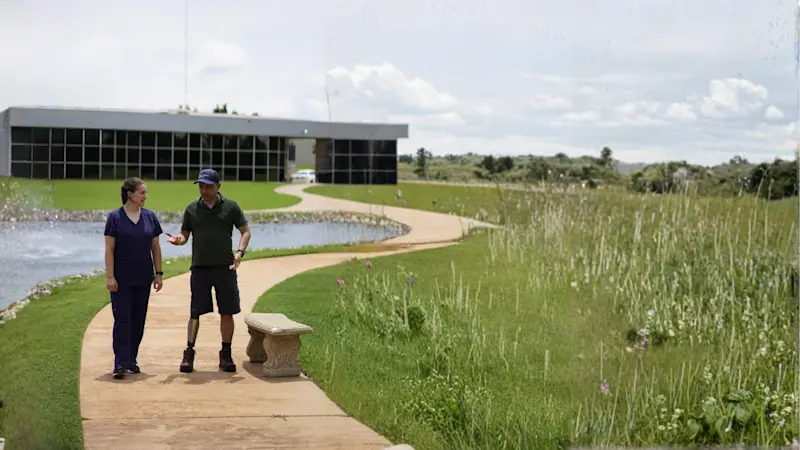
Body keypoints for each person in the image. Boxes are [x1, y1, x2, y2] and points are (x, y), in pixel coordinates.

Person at [165, 168, 251, 373]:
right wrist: (178, 240)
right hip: (200, 267)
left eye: (208, 186)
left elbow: (245, 231)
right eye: (201, 186)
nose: (204, 190)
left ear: (218, 187)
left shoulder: (231, 207)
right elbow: (185, 235)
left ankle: (226, 353)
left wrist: (240, 252)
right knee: (195, 312)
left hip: (225, 267)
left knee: (227, 311)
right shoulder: (192, 209)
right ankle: (189, 352)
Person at [104, 177, 164, 379]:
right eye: (142, 193)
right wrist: (110, 276)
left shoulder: (150, 217)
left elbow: (155, 247)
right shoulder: (115, 217)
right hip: (120, 280)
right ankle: (120, 363)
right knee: (122, 319)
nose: (145, 196)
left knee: (138, 321)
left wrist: (159, 274)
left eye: (146, 193)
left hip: (143, 278)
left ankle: (131, 360)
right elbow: (109, 250)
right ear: (130, 194)